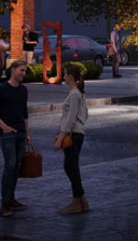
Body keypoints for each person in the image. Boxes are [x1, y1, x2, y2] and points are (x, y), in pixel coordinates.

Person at [0, 58, 35, 217]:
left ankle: (12, 199)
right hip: (8, 135)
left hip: (21, 133)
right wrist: (4, 127)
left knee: (16, 168)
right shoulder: (1, 89)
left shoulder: (23, 90)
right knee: (10, 166)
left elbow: (25, 113)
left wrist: (27, 133)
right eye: (21, 70)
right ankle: (5, 203)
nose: (23, 73)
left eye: (25, 71)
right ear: (13, 70)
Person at [54, 63, 90, 214]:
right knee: (71, 166)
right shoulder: (77, 93)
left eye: (65, 73)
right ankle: (81, 201)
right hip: (77, 133)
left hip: (73, 134)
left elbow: (71, 117)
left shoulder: (75, 94)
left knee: (71, 167)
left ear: (70, 77)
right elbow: (85, 114)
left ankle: (78, 201)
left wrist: (61, 137)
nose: (63, 76)